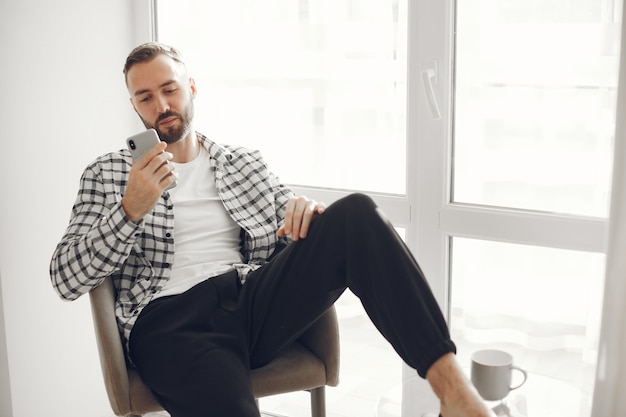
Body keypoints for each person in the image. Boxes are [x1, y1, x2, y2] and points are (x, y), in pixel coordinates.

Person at [50, 42, 495, 417]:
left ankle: (456, 395)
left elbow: (291, 225)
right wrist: (129, 210)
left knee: (355, 214)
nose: (162, 106)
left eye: (169, 89)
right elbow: (65, 278)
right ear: (133, 106)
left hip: (251, 300)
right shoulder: (108, 174)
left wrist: (305, 213)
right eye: (145, 97)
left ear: (191, 88)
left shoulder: (243, 163)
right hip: (170, 322)